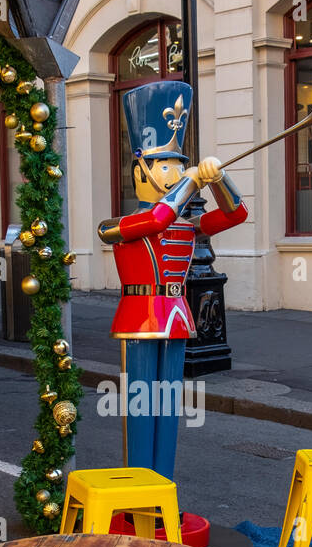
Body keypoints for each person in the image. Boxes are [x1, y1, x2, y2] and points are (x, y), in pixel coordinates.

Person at [97, 81, 247, 479]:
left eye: (180, 166)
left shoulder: (187, 223)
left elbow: (235, 216)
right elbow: (158, 219)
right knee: (141, 407)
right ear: (140, 169)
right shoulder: (120, 224)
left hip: (177, 315)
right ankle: (137, 494)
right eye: (166, 166)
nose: (176, 173)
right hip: (139, 316)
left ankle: (162, 490)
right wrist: (191, 184)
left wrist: (219, 179)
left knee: (168, 405)